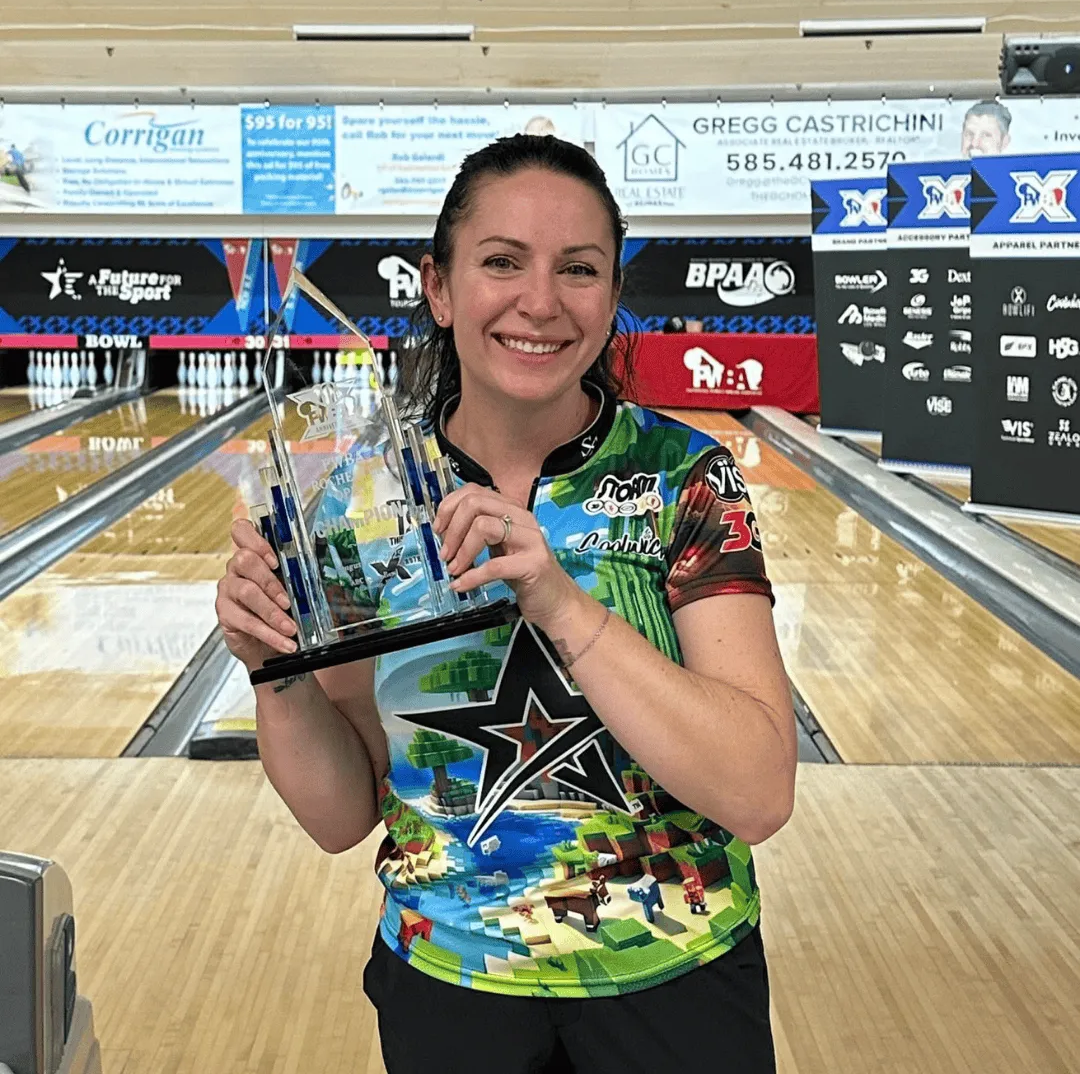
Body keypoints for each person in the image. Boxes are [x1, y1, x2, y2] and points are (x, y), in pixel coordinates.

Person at [215, 134, 796, 1074]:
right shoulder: (362, 505)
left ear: (611, 298)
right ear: (439, 289)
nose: (540, 301)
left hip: (678, 980)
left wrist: (563, 605)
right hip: (449, 989)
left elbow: (760, 791)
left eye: (578, 269)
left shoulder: (686, 478)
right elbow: (343, 813)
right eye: (501, 263)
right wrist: (271, 668)